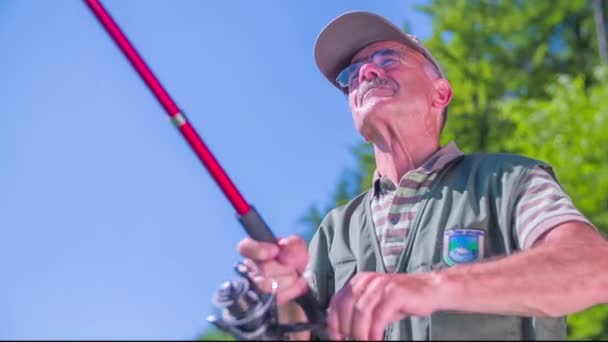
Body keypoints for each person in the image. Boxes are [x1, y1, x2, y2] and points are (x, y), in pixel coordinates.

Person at [238, 10, 608, 341]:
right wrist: (281, 298)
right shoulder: (335, 231)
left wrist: (431, 287)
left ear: (440, 93)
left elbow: (595, 268)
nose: (365, 71)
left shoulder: (509, 180)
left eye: (387, 58)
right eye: (351, 73)